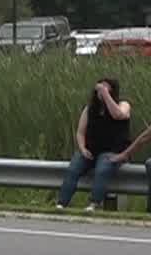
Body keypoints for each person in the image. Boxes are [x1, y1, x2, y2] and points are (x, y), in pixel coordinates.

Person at [56, 78, 132, 211]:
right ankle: (61, 203)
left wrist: (106, 96)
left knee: (102, 169)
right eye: (100, 88)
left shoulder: (123, 105)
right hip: (91, 150)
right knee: (73, 168)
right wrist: (83, 148)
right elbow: (80, 132)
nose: (101, 91)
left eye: (106, 88)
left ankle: (93, 203)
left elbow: (118, 115)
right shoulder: (90, 109)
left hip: (113, 151)